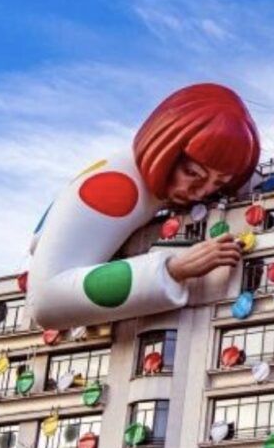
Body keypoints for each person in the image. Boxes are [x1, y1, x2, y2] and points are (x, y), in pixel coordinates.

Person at [27, 83, 261, 330]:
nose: (202, 192)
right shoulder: (117, 190)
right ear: (166, 150)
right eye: (193, 173)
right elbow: (43, 300)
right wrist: (172, 269)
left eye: (218, 184)